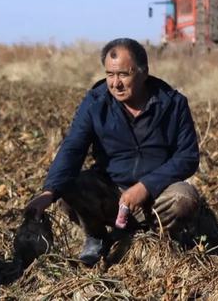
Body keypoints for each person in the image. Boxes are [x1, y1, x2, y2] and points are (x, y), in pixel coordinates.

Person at [25, 38, 200, 266]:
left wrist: (146, 186)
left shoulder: (173, 104)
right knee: (67, 187)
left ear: (143, 72)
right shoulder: (95, 103)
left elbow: (187, 157)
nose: (115, 83)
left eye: (123, 75)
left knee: (183, 198)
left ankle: (162, 238)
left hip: (158, 194)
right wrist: (48, 192)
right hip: (111, 192)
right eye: (110, 74)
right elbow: (73, 148)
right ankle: (97, 237)